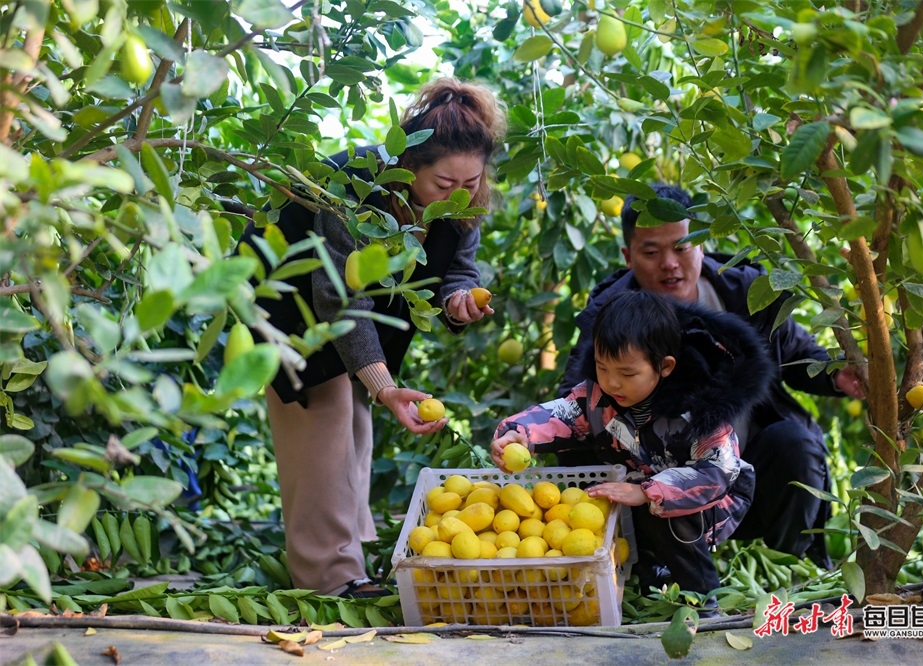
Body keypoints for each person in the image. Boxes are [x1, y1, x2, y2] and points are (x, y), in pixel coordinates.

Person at [238, 78, 506, 598]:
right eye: (443, 185)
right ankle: (330, 579)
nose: (459, 196)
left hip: (351, 310)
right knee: (325, 417)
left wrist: (460, 299)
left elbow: (457, 272)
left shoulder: (464, 198)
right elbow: (340, 297)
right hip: (284, 295)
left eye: (470, 183)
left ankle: (350, 560)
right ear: (407, 170)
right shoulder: (356, 187)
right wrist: (383, 384)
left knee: (354, 425)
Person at [558, 184, 865, 577]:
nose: (669, 263)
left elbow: (797, 353)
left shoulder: (744, 293)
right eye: (651, 252)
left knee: (797, 445)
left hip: (741, 480)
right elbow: (574, 404)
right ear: (628, 257)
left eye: (682, 247)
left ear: (701, 245)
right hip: (651, 492)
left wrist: (837, 374)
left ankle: (786, 564)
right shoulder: (608, 315)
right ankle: (655, 567)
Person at [491, 290, 774, 598]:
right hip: (639, 485)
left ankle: (704, 596)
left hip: (707, 499)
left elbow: (717, 471)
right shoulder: (599, 396)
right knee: (619, 507)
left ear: (664, 366)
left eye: (627, 373)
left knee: (669, 522)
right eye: (602, 367)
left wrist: (647, 491)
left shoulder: (696, 413)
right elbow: (562, 414)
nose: (612, 382)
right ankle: (649, 575)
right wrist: (520, 433)